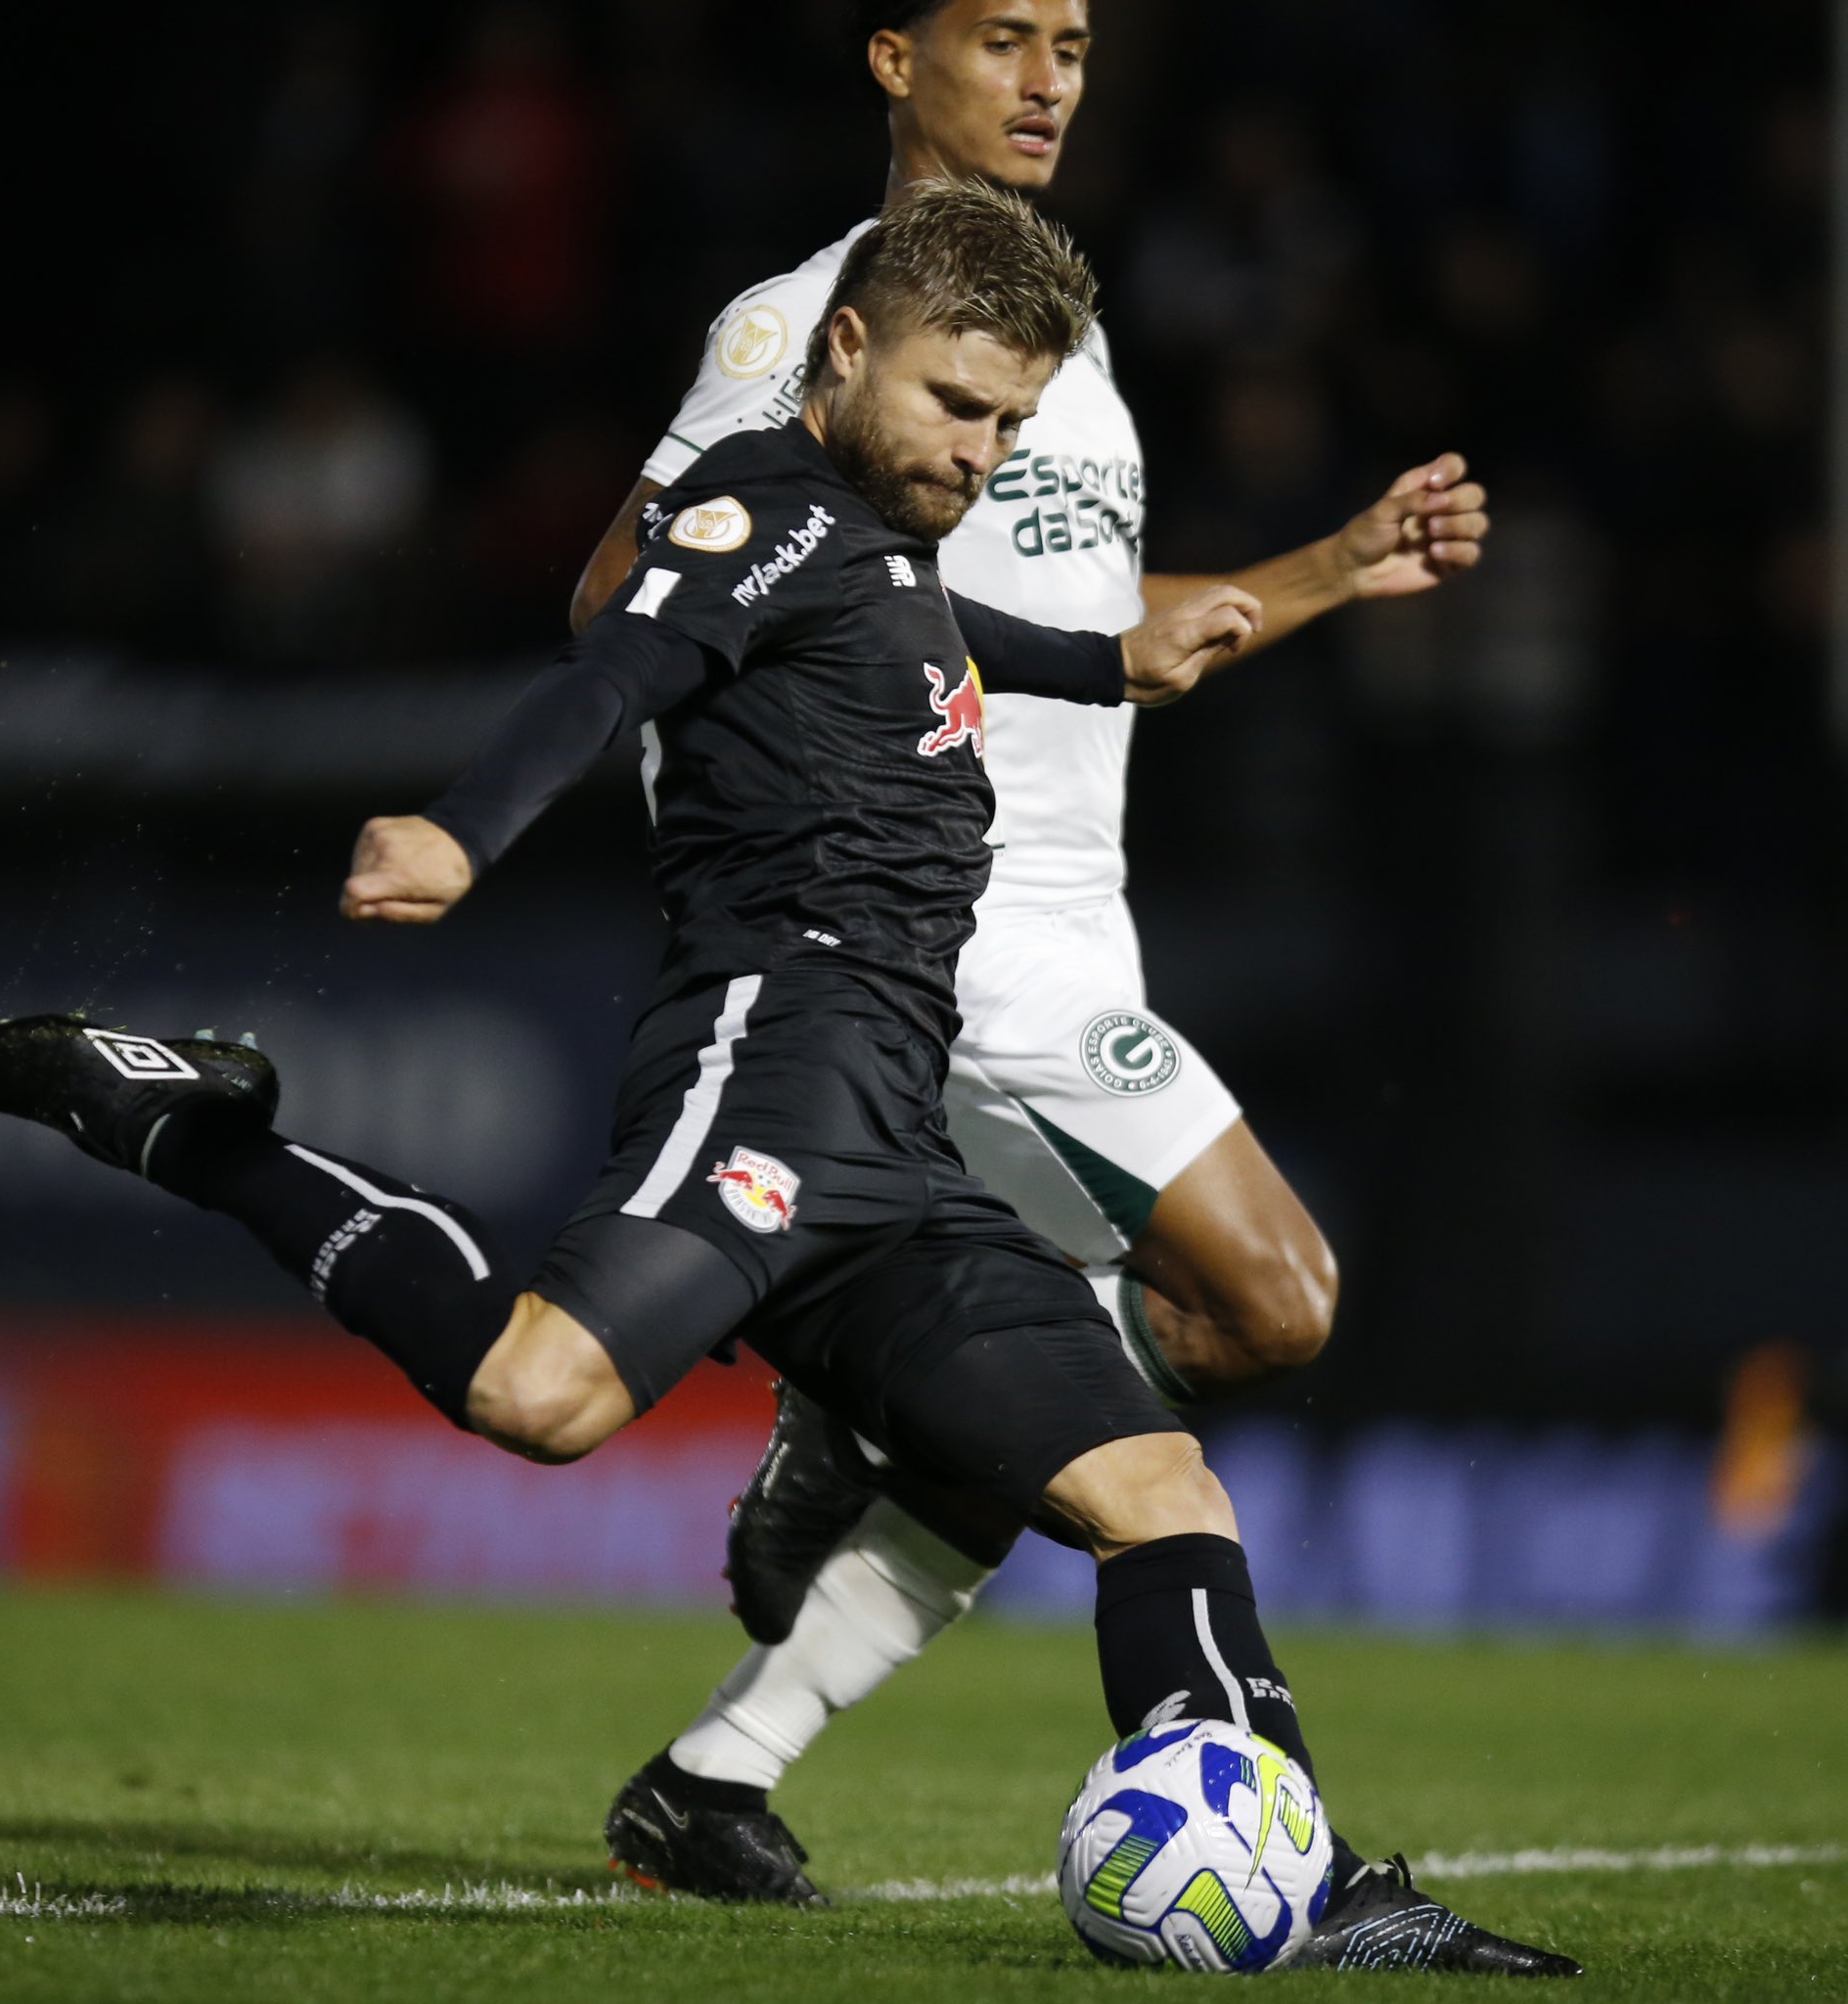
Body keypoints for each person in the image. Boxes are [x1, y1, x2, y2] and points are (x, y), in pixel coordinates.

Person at [0, 180, 1575, 1979]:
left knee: (1161, 1493)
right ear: (846, 348)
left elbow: (936, 635)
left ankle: (1311, 1881)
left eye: (1011, 422)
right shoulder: (753, 508)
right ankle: (197, 1129)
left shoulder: (880, 550)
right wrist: (463, 831)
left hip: (903, 1145)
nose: (980, 452)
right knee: (537, 1399)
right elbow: (610, 672)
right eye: (957, 405)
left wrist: (1115, 659)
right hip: (769, 1075)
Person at [575, 6, 1520, 1971]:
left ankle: (726, 1762)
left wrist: (1330, 568)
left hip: (1087, 915)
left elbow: (1088, 635)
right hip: (950, 920)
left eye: (1074, 42)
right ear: (890, 58)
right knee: (1273, 1291)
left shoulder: (1054, 342)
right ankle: (1288, 1855)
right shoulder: (808, 325)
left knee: (1069, 1392)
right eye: (1001, 36)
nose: (1048, 79)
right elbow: (630, 589)